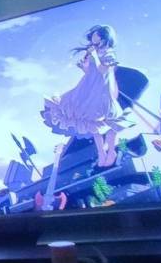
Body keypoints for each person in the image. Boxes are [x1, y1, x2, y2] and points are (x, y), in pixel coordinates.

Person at [40, 24, 132, 168]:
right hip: (89, 89)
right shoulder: (94, 51)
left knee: (110, 121)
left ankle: (111, 151)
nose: (92, 37)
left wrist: (94, 56)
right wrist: (84, 67)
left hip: (102, 90)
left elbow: (103, 71)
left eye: (95, 34)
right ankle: (101, 153)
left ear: (103, 36)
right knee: (91, 121)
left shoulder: (108, 52)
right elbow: (92, 72)